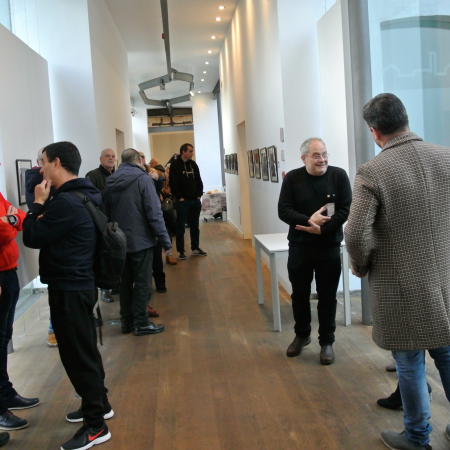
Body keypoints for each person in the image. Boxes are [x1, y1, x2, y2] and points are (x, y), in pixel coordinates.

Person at [344, 93, 450, 450]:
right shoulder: (446, 157)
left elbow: (355, 232)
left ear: (374, 131)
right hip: (445, 280)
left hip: (401, 286)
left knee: (408, 362)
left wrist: (360, 265)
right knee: (446, 354)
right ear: (405, 119)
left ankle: (418, 439)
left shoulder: (373, 171)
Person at [23, 142, 112, 450]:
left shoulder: (63, 204)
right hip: (80, 283)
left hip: (70, 287)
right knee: (85, 350)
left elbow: (31, 236)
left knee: (77, 356)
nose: (40, 169)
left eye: (43, 162)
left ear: (57, 163)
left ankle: (95, 426)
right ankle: (99, 405)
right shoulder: (85, 194)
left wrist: (37, 205)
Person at [278, 138, 351, 365]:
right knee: (299, 295)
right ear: (304, 158)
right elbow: (284, 210)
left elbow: (346, 209)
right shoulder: (293, 178)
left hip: (329, 247)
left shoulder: (339, 176)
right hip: (300, 247)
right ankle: (302, 335)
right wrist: (309, 221)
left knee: (327, 297)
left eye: (325, 154)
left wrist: (323, 229)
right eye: (316, 155)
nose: (322, 160)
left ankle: (326, 341)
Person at [105, 148, 171, 336]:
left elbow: (107, 213)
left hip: (119, 241)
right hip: (141, 240)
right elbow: (154, 212)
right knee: (142, 283)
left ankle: (127, 321)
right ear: (139, 161)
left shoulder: (111, 181)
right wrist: (165, 241)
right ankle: (141, 322)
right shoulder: (143, 179)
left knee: (125, 283)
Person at [0, 175, 39, 439]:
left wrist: (9, 221)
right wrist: (8, 223)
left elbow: (20, 220)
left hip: (8, 272)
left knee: (4, 337)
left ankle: (5, 393)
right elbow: (4, 231)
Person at [25, 147, 58, 347]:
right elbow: (37, 215)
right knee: (56, 287)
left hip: (54, 240)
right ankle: (54, 329)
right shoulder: (38, 183)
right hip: (50, 243)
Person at [85, 148, 116, 303]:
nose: (110, 159)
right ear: (100, 159)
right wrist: (109, 191)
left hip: (116, 222)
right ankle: (104, 290)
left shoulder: (117, 175)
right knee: (102, 258)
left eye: (113, 156)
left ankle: (114, 285)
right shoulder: (92, 176)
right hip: (100, 223)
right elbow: (89, 198)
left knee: (114, 255)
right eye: (107, 156)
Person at [169, 143, 206, 260]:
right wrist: (179, 197)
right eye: (190, 151)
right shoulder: (175, 165)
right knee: (180, 227)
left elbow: (198, 179)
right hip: (182, 201)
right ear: (183, 152)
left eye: (192, 151)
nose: (192, 153)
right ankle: (180, 250)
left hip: (195, 200)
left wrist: (199, 194)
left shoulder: (193, 164)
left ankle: (195, 247)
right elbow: (172, 182)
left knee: (195, 225)